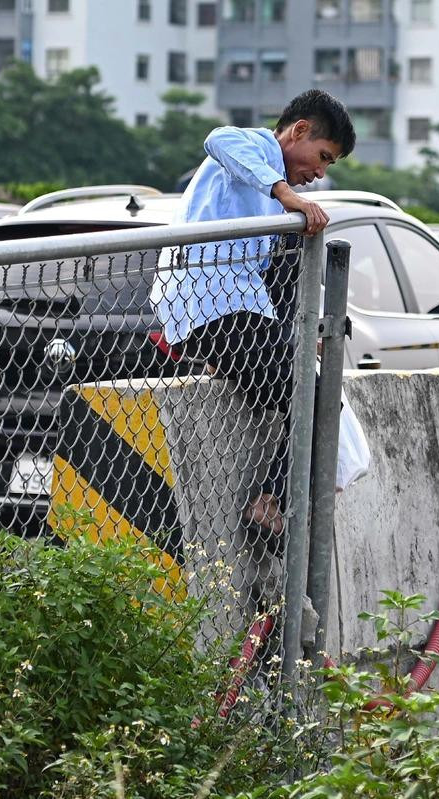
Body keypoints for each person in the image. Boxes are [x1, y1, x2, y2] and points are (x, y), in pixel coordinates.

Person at [152, 89, 357, 535]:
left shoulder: (265, 195)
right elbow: (219, 137)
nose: (319, 173)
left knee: (316, 396)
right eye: (321, 156)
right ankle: (271, 504)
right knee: (318, 398)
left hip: (232, 314)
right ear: (299, 130)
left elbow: (276, 280)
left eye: (328, 166)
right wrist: (288, 195)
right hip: (216, 308)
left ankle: (277, 509)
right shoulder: (255, 149)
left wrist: (302, 335)